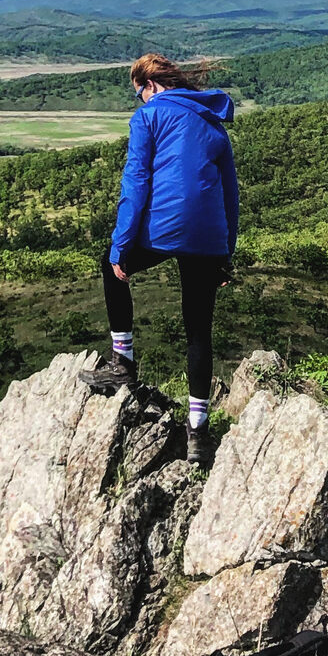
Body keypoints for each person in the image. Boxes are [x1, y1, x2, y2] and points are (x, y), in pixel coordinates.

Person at [84, 52, 238, 468]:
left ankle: (123, 363)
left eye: (139, 95)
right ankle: (199, 433)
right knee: (198, 331)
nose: (140, 102)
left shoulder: (148, 118)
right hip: (209, 237)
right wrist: (226, 253)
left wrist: (121, 246)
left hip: (164, 227)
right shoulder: (214, 126)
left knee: (108, 267)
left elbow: (136, 182)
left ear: (151, 86)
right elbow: (230, 197)